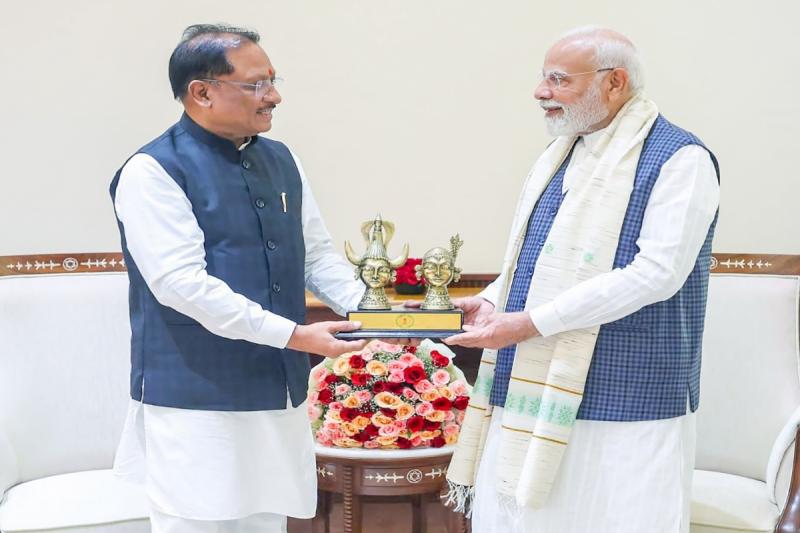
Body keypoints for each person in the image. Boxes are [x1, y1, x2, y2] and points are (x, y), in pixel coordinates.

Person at [443, 26, 720, 533]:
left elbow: (656, 274)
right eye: (543, 78)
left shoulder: (681, 158)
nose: (540, 92)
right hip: (533, 380)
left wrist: (532, 322)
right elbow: (537, 258)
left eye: (559, 79)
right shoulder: (562, 153)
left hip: (629, 392)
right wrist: (492, 301)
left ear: (614, 82)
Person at [110, 24, 368, 532]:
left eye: (272, 81)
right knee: (198, 522)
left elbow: (316, 257)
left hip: (276, 391)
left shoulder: (281, 160)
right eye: (255, 84)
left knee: (265, 522)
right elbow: (182, 285)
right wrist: (295, 336)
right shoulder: (152, 170)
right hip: (196, 400)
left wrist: (377, 311)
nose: (273, 96)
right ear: (202, 92)